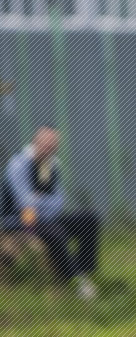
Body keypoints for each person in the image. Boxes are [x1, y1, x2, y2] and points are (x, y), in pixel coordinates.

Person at [2, 126, 99, 299]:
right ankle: (75, 280)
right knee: (55, 232)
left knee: (89, 218)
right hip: (16, 222)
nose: (49, 148)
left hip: (43, 219)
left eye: (53, 145)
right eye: (46, 144)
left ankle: (84, 271)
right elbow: (24, 204)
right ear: (35, 141)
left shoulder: (53, 165)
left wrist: (37, 200)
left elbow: (59, 203)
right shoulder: (18, 164)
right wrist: (42, 203)